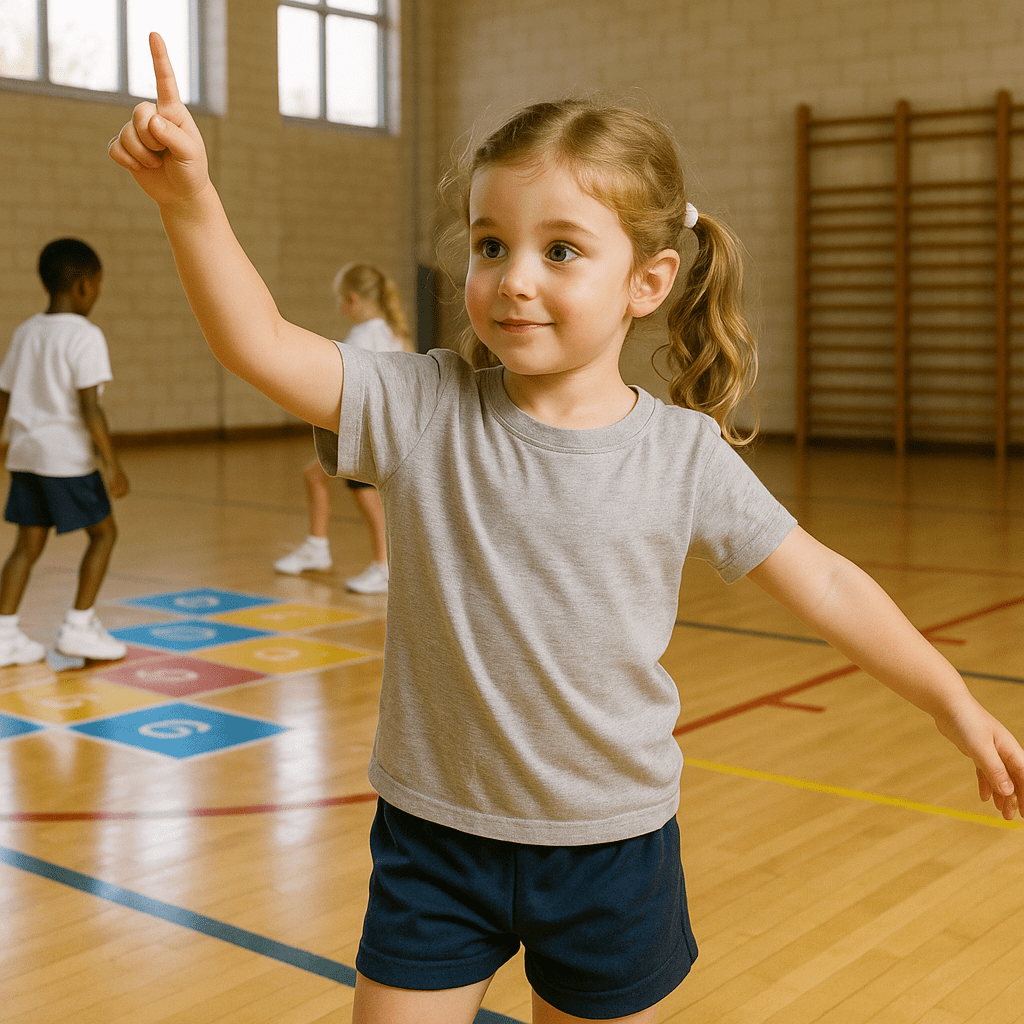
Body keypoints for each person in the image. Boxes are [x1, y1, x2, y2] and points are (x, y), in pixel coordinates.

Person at [110, 35, 1024, 1024]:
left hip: (611, 849)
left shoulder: (683, 454)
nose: (513, 277)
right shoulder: (423, 406)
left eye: (561, 249)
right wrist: (190, 202)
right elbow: (260, 342)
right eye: (489, 243)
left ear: (648, 280)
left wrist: (950, 702)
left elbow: (831, 586)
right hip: (435, 841)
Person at [0, 238, 129, 666]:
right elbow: (91, 407)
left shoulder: (26, 331)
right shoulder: (86, 336)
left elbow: (3, 397)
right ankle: (78, 626)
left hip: (26, 455)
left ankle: (4, 635)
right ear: (84, 287)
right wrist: (112, 463)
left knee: (26, 545)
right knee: (104, 534)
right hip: (66, 460)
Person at [273, 262, 412, 594]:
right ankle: (317, 547)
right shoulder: (394, 332)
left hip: (363, 430)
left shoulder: (362, 336)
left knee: (367, 497)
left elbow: (350, 384)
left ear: (353, 300)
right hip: (384, 428)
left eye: (340, 300)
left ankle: (384, 566)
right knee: (316, 476)